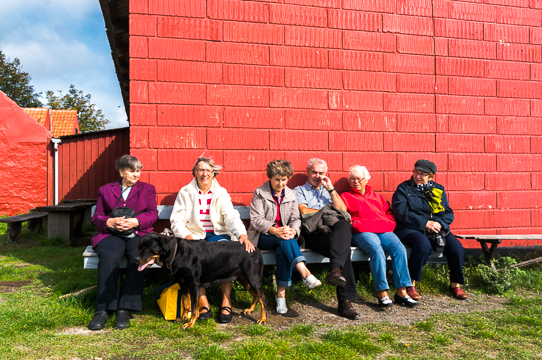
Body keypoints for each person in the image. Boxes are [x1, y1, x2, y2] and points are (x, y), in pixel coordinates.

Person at [169, 156, 255, 323]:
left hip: (217, 233)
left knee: (226, 255)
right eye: (201, 170)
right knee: (194, 259)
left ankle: (226, 302)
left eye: (208, 170)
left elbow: (231, 217)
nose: (205, 174)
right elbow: (176, 220)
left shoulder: (221, 193)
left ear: (214, 173)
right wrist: (186, 237)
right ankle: (203, 303)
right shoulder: (185, 192)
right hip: (193, 234)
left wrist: (241, 235)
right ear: (195, 172)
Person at [89, 154, 159, 330]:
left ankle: (125, 307)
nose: (137, 174)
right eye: (132, 171)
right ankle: (104, 309)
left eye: (138, 171)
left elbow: (152, 213)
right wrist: (109, 222)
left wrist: (136, 221)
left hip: (138, 233)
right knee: (110, 256)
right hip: (110, 235)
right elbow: (97, 216)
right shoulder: (106, 190)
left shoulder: (147, 189)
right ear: (121, 172)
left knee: (138, 257)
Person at [248, 159, 322, 314]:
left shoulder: (291, 194)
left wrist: (294, 231)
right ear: (270, 177)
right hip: (263, 236)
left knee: (284, 245)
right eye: (277, 180)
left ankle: (280, 296)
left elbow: (296, 219)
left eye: (283, 180)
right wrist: (275, 230)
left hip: (284, 237)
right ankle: (304, 272)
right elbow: (256, 220)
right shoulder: (260, 193)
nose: (280, 184)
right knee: (284, 240)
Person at [341, 165, 418, 308]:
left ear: (366, 180)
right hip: (363, 231)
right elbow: (344, 217)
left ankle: (402, 292)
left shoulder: (377, 196)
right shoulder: (345, 197)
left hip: (384, 230)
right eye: (352, 179)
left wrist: (389, 223)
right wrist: (356, 224)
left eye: (358, 178)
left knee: (399, 249)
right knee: (377, 251)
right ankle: (382, 293)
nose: (355, 181)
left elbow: (389, 213)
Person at [294, 158, 360, 320]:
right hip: (312, 234)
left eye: (321, 173)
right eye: (314, 172)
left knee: (344, 224)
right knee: (343, 252)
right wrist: (327, 210)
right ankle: (345, 301)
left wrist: (330, 188)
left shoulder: (328, 191)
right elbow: (304, 212)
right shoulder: (299, 190)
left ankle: (335, 272)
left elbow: (343, 211)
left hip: (333, 233)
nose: (317, 176)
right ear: (308, 172)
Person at [392, 159, 467, 300]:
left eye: (423, 174)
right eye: (416, 172)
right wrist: (425, 223)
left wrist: (439, 223)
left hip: (436, 228)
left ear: (431, 176)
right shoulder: (404, 188)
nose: (417, 176)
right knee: (423, 245)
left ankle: (455, 285)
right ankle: (410, 284)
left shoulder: (438, 189)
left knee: (456, 248)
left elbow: (448, 212)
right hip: (410, 227)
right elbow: (401, 212)